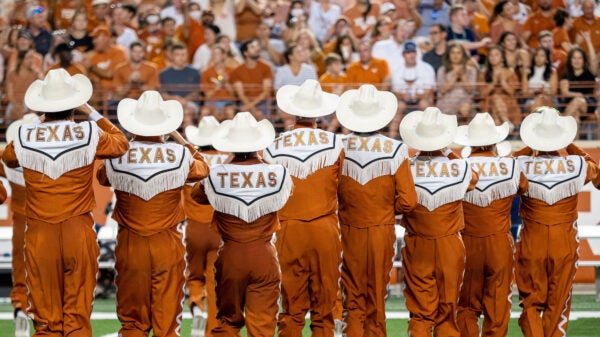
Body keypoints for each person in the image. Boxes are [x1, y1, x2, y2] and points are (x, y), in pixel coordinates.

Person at [2, 68, 129, 336]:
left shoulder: (25, 135)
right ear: (74, 104)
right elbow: (121, 144)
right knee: (78, 316)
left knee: (46, 322)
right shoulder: (88, 132)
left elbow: (9, 157)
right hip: (78, 229)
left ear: (42, 106)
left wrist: (37, 125)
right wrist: (93, 113)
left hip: (39, 232)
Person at [96, 90, 209, 336]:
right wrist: (182, 141)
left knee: (132, 322)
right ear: (164, 123)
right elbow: (203, 169)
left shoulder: (118, 155)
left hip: (130, 242)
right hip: (167, 242)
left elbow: (102, 177)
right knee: (167, 324)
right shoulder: (179, 155)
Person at [191, 112, 293, 337]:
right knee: (263, 326)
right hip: (264, 254)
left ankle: (196, 301)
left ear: (231, 145)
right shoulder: (278, 173)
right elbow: (285, 197)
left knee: (228, 323)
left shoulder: (216, 176)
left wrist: (226, 165)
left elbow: (196, 195)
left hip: (230, 255)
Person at [335, 84, 417, 337]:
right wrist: (385, 209)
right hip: (381, 228)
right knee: (376, 296)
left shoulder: (337, 146)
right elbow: (409, 200)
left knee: (353, 298)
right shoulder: (395, 148)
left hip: (347, 228)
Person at [263, 80, 343, 337]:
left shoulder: (274, 145)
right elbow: (342, 186)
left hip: (288, 229)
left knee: (291, 310)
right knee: (325, 310)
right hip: (325, 229)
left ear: (293, 111)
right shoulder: (334, 143)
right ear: (319, 112)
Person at [514, 107, 597, 337]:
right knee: (558, 303)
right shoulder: (577, 164)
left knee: (530, 303)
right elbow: (597, 174)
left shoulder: (519, 163)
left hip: (532, 239)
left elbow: (502, 165)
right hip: (565, 241)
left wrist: (531, 145)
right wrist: (570, 144)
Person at [398, 107, 477, 337]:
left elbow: (398, 201)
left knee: (420, 313)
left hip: (417, 244)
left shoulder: (407, 167)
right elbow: (473, 180)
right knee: (448, 310)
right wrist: (449, 153)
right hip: (450, 244)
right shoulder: (459, 167)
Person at [453, 113, 528, 337]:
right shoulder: (511, 166)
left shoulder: (460, 167)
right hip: (499, 242)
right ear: (495, 141)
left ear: (468, 142)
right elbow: (522, 188)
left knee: (465, 304)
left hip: (466, 241)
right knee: (498, 306)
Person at [184, 116, 231, 337]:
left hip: (193, 227)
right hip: (219, 227)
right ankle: (212, 328)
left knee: (194, 274)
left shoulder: (189, 159)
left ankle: (195, 305)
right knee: (215, 283)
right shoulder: (228, 159)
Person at [0, 114, 39, 337]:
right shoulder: (44, 158)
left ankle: (20, 308)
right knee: (44, 272)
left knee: (20, 271)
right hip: (43, 220)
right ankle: (42, 315)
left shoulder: (7, 159)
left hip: (19, 220)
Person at [159, 43, 201, 129]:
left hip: (190, 103)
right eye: (178, 55)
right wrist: (176, 99)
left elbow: (197, 92)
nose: (181, 57)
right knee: (177, 113)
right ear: (172, 56)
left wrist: (185, 100)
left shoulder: (195, 72)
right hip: (171, 103)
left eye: (183, 54)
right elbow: (162, 94)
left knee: (187, 114)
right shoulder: (164, 74)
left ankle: (187, 141)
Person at [230, 39, 274, 119]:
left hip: (263, 101)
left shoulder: (266, 67)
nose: (257, 49)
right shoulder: (237, 71)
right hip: (245, 101)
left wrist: (251, 106)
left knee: (260, 115)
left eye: (256, 46)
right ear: (245, 53)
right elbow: (241, 94)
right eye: (252, 47)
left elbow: (266, 91)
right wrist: (253, 109)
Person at [436, 43, 477, 118]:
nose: (455, 55)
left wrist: (463, 76)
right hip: (446, 101)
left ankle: (463, 128)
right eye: (453, 53)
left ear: (463, 55)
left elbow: (471, 90)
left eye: (458, 53)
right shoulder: (442, 70)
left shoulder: (471, 70)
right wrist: (454, 77)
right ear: (449, 55)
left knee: (465, 108)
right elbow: (442, 90)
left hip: (465, 101)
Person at [521, 47, 558, 114]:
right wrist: (534, 92)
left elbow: (553, 92)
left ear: (547, 59)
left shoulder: (552, 71)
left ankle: (531, 123)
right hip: (531, 99)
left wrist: (543, 91)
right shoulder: (527, 72)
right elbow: (524, 93)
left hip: (549, 99)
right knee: (536, 102)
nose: (538, 58)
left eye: (542, 55)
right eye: (537, 55)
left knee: (541, 98)